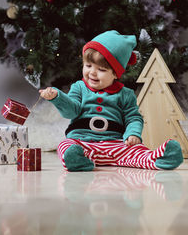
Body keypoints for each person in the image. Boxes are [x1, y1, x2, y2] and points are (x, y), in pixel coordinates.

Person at [39, 30, 183, 171]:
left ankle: (161, 158)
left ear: (115, 73)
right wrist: (58, 97)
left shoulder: (125, 94)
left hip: (116, 144)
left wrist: (132, 134)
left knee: (137, 150)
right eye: (88, 66)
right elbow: (71, 111)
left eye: (101, 69)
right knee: (65, 145)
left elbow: (133, 118)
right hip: (83, 142)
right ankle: (77, 161)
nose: (92, 72)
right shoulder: (79, 88)